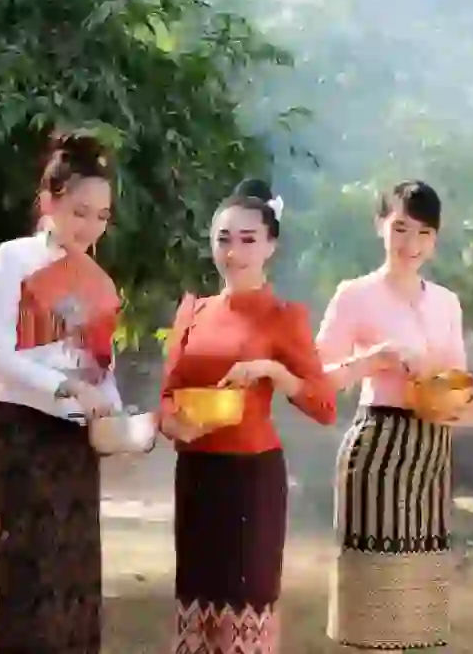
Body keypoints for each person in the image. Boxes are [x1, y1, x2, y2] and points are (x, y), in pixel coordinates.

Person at [158, 179, 338, 653]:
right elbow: (167, 398)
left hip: (252, 480)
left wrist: (273, 371)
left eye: (247, 240)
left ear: (270, 246)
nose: (233, 252)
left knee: (244, 609)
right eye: (223, 239)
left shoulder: (283, 316)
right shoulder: (192, 311)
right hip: (197, 472)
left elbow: (323, 405)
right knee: (197, 603)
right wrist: (174, 424)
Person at [317, 180, 473, 650]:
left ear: (436, 239)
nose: (411, 244)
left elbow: (457, 378)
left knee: (418, 609)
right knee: (372, 606)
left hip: (430, 450)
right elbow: (316, 378)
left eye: (424, 233)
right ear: (380, 226)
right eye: (401, 228)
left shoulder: (446, 301)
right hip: (376, 450)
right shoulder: (354, 295)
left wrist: (458, 403)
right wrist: (375, 359)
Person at [0, 131, 122, 653]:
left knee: (76, 581)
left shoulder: (99, 281)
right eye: (81, 211)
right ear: (49, 201)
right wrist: (65, 388)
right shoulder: (11, 260)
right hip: (22, 429)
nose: (91, 227)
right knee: (29, 579)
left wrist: (117, 414)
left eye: (102, 216)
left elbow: (100, 365)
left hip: (75, 439)